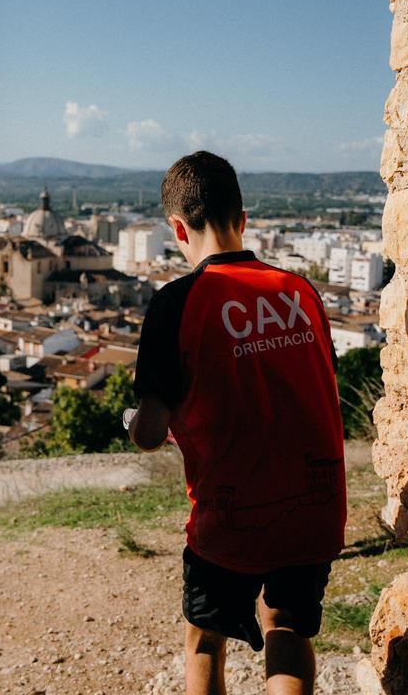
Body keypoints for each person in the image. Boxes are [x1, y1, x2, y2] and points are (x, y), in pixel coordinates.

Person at [124, 151, 347, 695]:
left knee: (205, 639)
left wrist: (133, 420)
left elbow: (150, 432)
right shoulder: (301, 291)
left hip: (232, 515)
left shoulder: (177, 304)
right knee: (287, 627)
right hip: (315, 508)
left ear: (178, 229)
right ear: (242, 218)